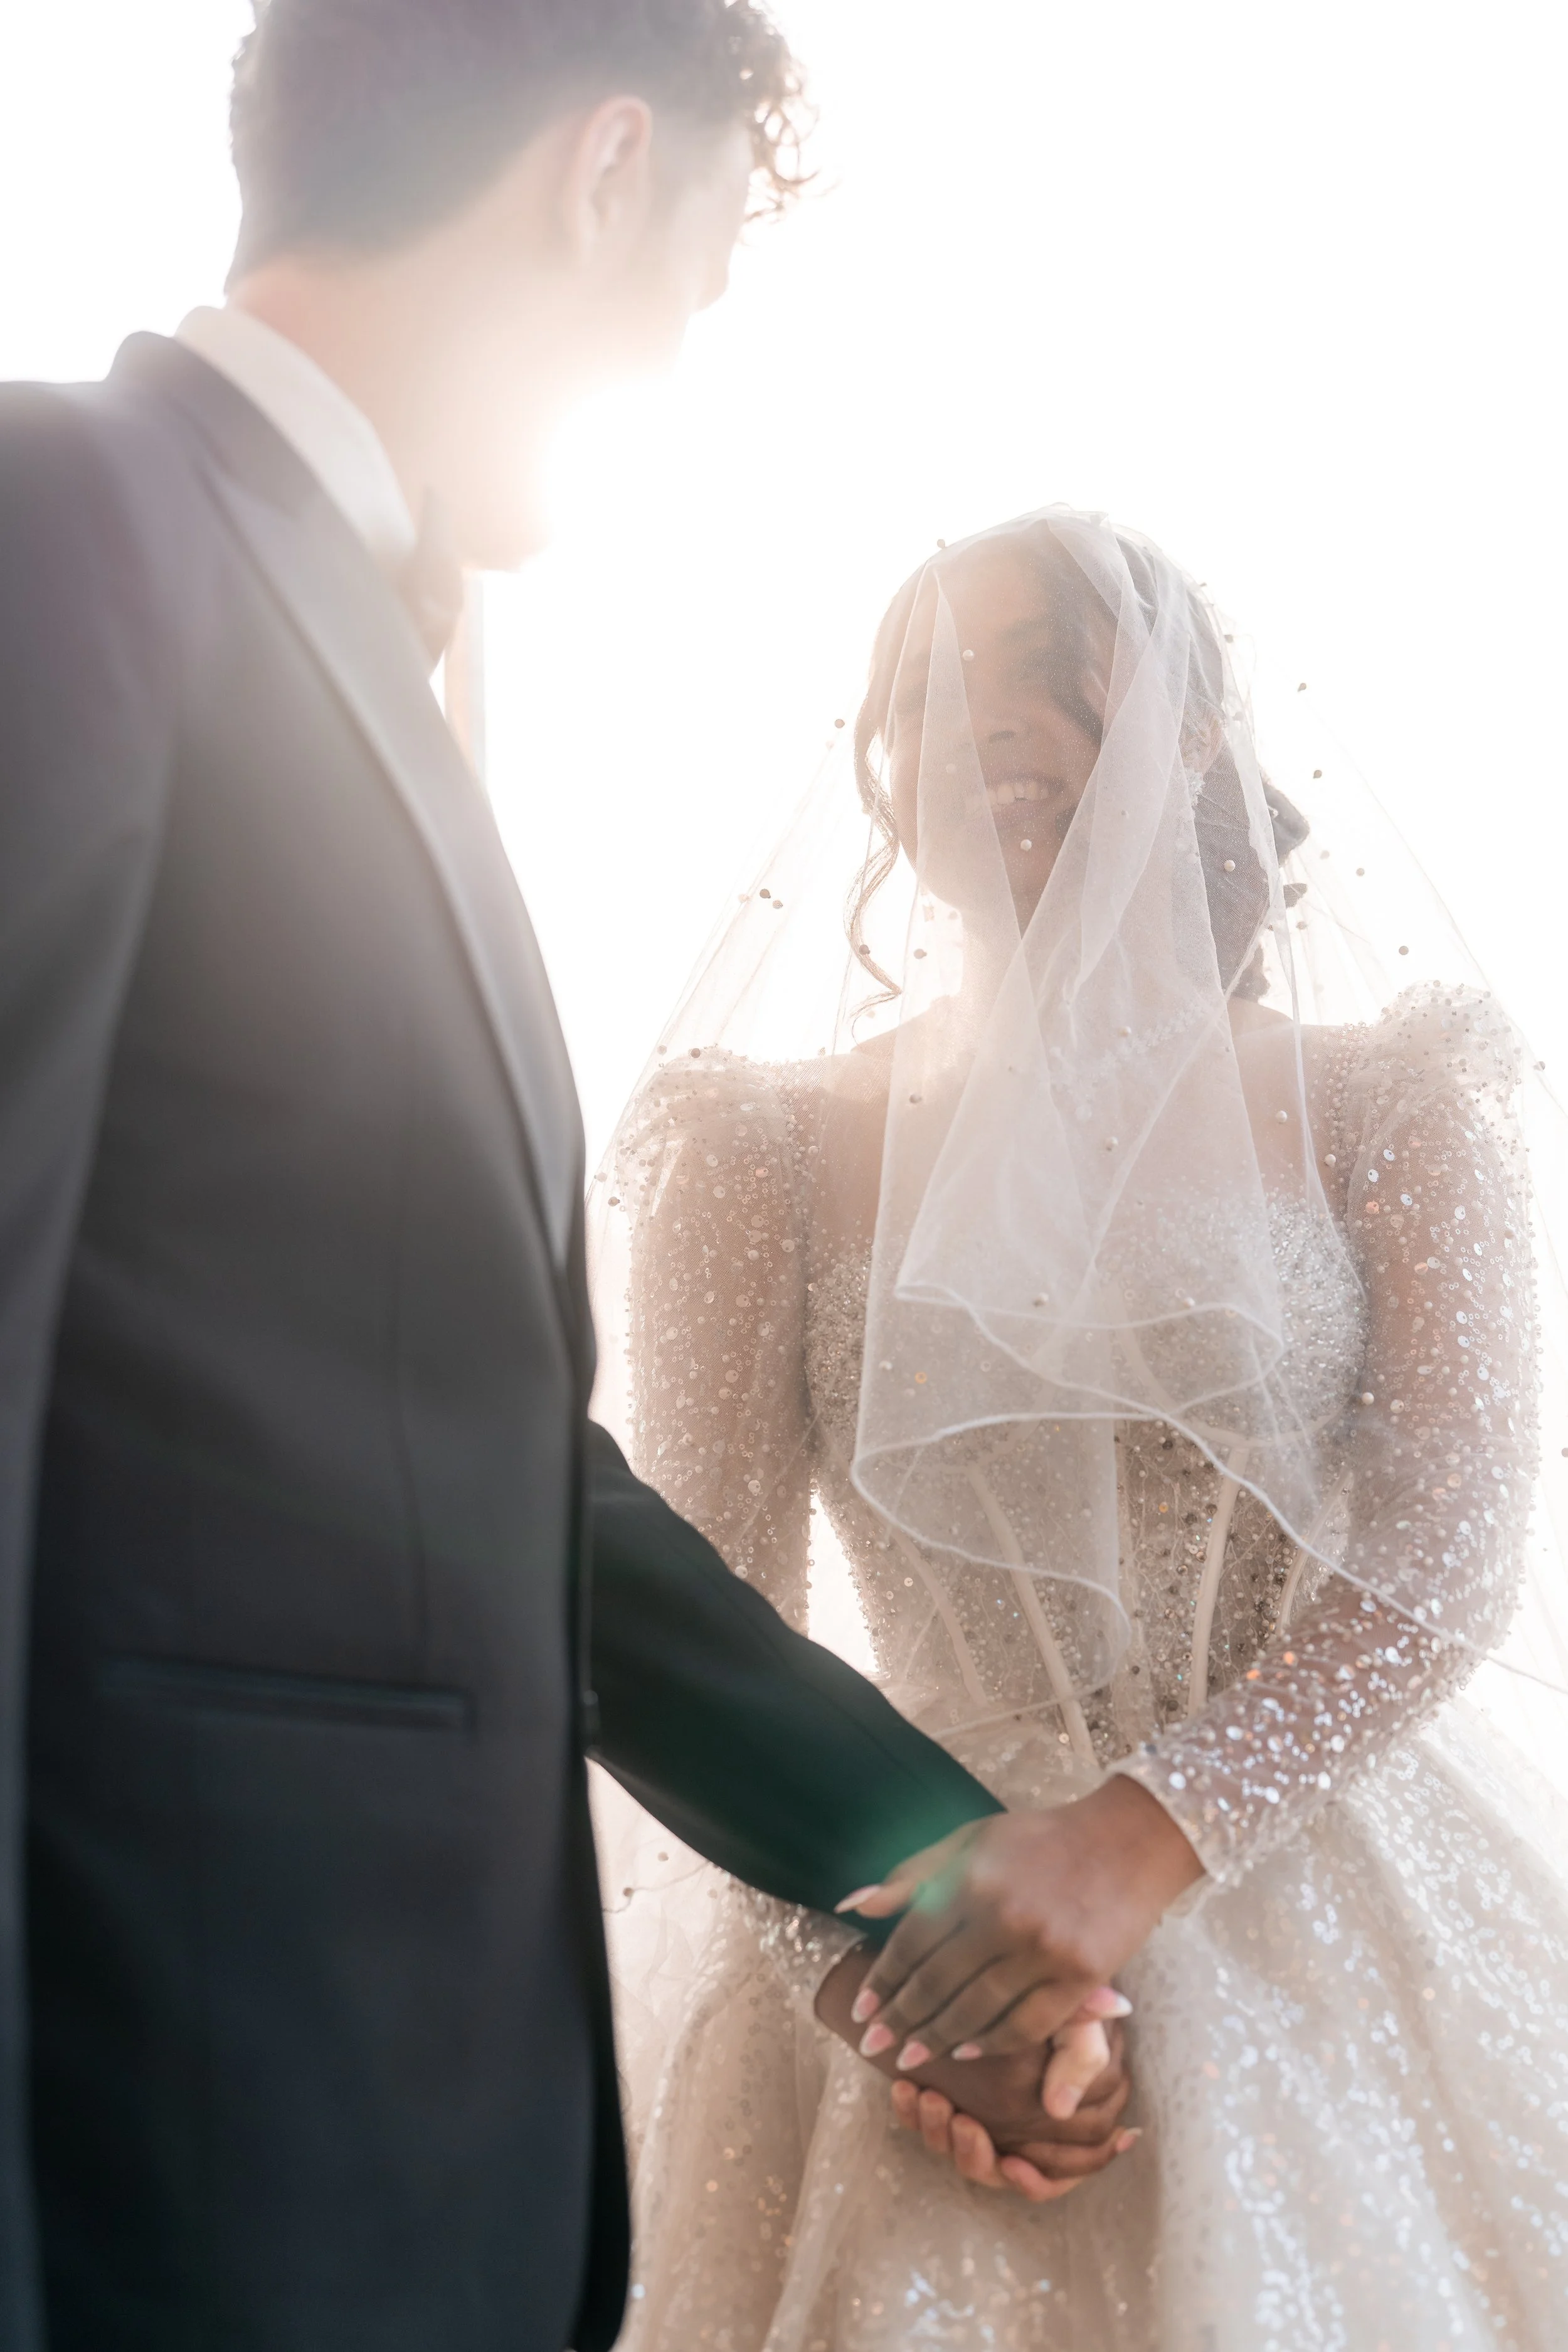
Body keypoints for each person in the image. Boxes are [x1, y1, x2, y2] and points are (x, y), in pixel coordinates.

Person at [0, 14, 1119, 2350]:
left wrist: (936, 1874)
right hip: (150, 2155)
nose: (677, 357)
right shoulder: (64, 526)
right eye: (699, 276)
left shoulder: (369, 643)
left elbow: (491, 1472)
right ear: (606, 176)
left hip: (376, 2172)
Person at [599, 507, 1568, 2347]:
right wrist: (886, 1979)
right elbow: (693, 1619)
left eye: (1046, 660)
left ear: (1195, 723)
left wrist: (1136, 1840)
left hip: (1326, 1872)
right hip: (907, 1883)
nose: (978, 723)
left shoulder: (1389, 1099)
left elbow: (1444, 1546)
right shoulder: (758, 1150)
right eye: (925, 692)